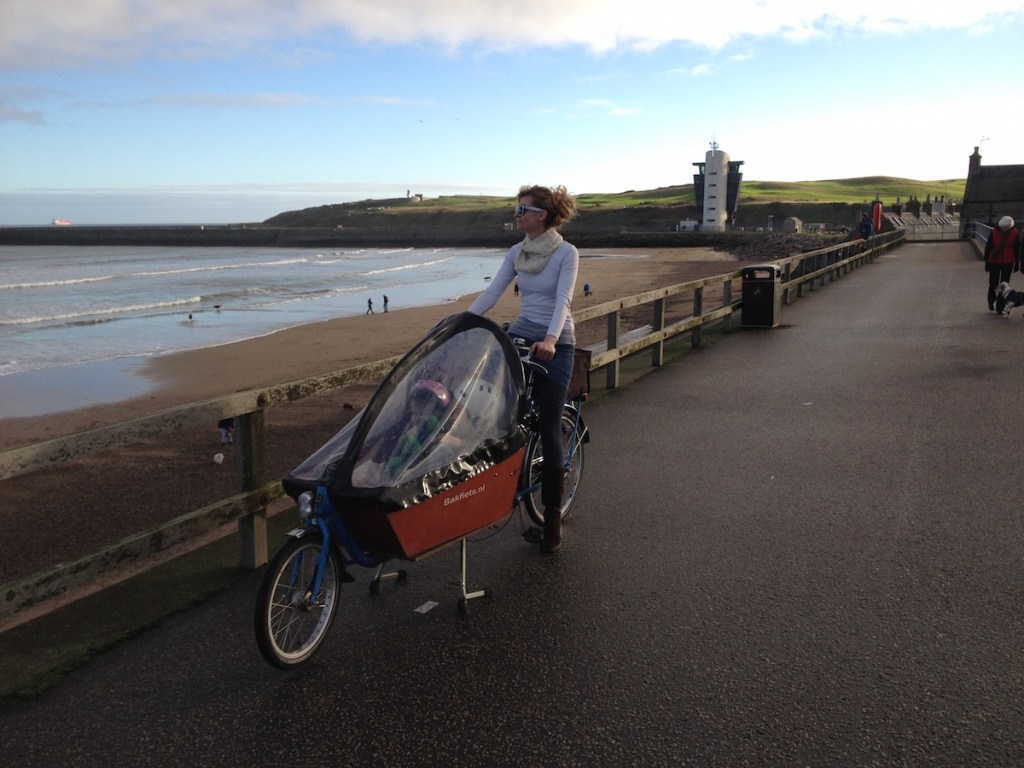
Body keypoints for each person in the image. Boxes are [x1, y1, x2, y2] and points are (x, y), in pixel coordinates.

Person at [468, 184, 579, 553]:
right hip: (520, 335)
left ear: (541, 216)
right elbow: (493, 292)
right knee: (495, 410)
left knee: (548, 425)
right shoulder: (517, 252)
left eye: (521, 210)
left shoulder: (566, 253)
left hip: (555, 343)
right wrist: (461, 319)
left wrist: (550, 340)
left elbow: (562, 300)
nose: (516, 215)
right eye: (516, 209)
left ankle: (551, 522)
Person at [984, 216, 1022, 312]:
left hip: (1008, 262)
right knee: (993, 283)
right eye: (1003, 227)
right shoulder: (993, 232)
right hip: (994, 261)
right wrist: (987, 262)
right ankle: (991, 301)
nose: (1005, 229)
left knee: (1004, 285)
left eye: (1007, 227)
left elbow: (1016, 249)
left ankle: (1000, 307)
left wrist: (1017, 263)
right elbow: (988, 248)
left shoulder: (1014, 233)